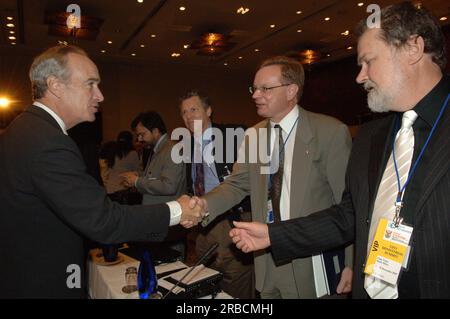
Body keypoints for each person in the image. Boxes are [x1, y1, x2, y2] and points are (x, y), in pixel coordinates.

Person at [229, 2, 450, 299]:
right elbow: (348, 216)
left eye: (368, 62)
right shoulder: (372, 136)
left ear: (413, 48)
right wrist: (273, 234)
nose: (360, 76)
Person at [0, 45, 203, 298]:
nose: (100, 95)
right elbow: (103, 220)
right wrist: (177, 209)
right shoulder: (46, 141)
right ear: (55, 85)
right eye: (90, 84)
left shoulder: (27, 130)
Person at [186, 57, 353, 299]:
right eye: (254, 88)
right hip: (266, 258)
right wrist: (204, 204)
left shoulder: (329, 132)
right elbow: (237, 183)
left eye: (265, 88)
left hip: (311, 257)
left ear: (291, 90)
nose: (255, 95)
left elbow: (347, 205)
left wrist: (350, 262)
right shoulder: (253, 135)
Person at [179, 91, 255, 299]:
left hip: (232, 218)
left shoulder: (235, 134)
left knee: (235, 279)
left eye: (193, 109)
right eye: (184, 112)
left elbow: (250, 181)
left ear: (209, 110)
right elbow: (193, 182)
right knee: (206, 278)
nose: (188, 116)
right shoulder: (188, 144)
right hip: (203, 223)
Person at [121, 111, 187, 258]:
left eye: (142, 134)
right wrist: (138, 177)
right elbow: (155, 177)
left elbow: (169, 186)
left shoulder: (172, 149)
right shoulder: (157, 150)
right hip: (161, 220)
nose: (139, 138)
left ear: (156, 131)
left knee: (172, 262)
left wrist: (137, 181)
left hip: (170, 222)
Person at [99, 130, 142, 204]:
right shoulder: (133, 154)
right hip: (122, 191)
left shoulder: (112, 152)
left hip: (109, 190)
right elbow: (136, 172)